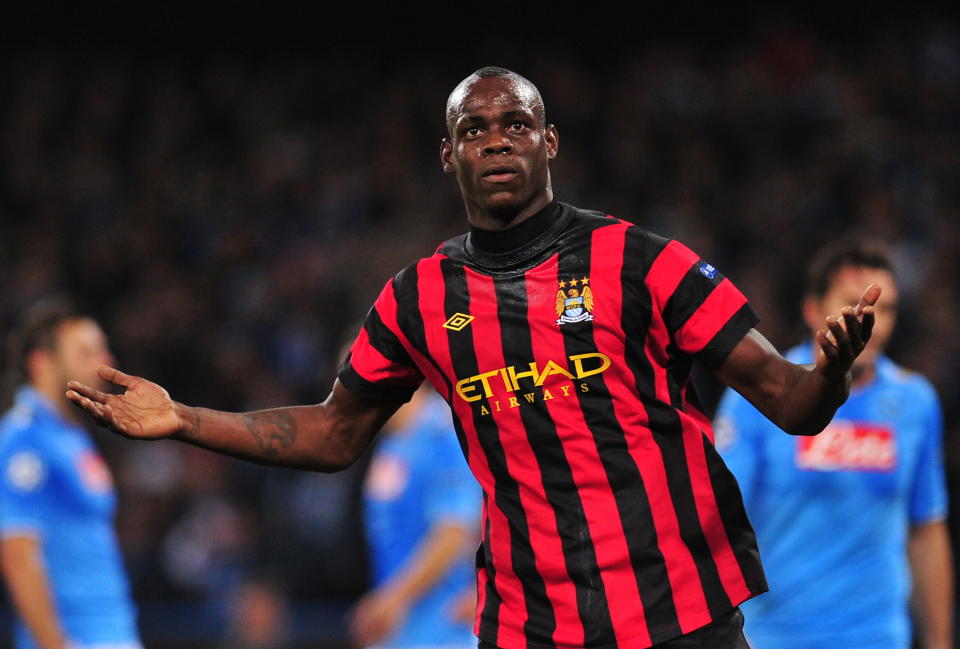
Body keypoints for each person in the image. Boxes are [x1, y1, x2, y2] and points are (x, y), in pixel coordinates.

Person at [66, 67, 881, 649]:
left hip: (684, 614)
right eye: (474, 129)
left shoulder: (641, 261)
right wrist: (183, 420)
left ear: (550, 142)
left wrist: (830, 376)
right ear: (447, 155)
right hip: (531, 625)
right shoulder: (420, 296)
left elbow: (789, 400)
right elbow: (336, 432)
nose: (497, 140)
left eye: (516, 124)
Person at [714, 242, 953, 649]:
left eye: (887, 309)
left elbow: (926, 528)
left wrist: (940, 640)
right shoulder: (761, 394)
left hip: (879, 637)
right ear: (812, 310)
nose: (870, 322)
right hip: (774, 637)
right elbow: (719, 514)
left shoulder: (914, 402)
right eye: (852, 305)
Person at [0, 303, 142, 649]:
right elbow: (17, 554)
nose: (104, 363)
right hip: (79, 636)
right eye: (85, 352)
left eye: (103, 349)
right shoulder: (25, 440)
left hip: (112, 630)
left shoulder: (72, 434)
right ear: (42, 364)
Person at [350, 385, 480, 649]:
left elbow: (454, 531)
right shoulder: (390, 442)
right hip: (400, 626)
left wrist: (395, 598)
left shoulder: (443, 433)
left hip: (445, 626)